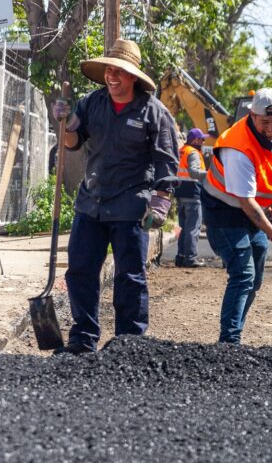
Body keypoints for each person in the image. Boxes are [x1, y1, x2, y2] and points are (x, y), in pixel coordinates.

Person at [52, 39, 180, 354]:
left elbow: (167, 160)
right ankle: (83, 339)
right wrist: (65, 122)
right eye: (109, 70)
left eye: (119, 72)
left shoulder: (154, 112)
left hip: (131, 205)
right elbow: (72, 143)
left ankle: (129, 343)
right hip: (91, 203)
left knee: (129, 276)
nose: (112, 77)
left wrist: (161, 202)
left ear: (133, 76)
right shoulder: (91, 103)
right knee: (80, 270)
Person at [201, 87, 272, 344]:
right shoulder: (237, 145)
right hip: (224, 211)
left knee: (255, 279)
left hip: (256, 209)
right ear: (252, 116)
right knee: (243, 274)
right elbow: (245, 201)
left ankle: (234, 333)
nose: (271, 128)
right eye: (265, 122)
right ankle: (229, 341)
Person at [175, 128, 209, 267]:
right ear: (195, 140)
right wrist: (210, 174)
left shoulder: (182, 150)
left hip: (180, 191)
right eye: (202, 139)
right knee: (193, 227)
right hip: (192, 192)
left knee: (185, 227)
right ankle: (190, 258)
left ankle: (181, 257)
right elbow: (194, 172)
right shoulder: (193, 153)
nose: (203, 141)